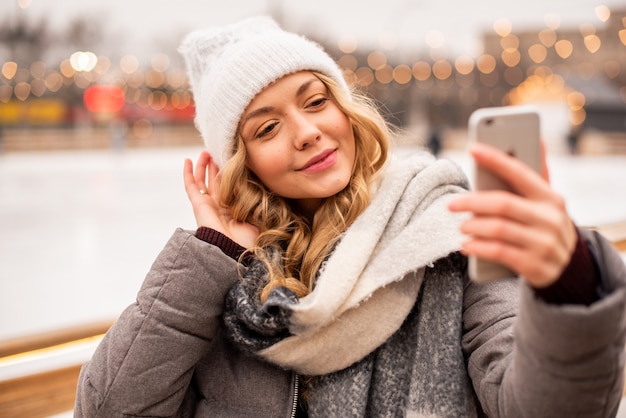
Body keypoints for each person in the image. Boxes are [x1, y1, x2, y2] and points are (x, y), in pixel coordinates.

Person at [74, 16, 626, 418]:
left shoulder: (447, 234)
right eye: (266, 128)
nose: (306, 131)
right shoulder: (222, 280)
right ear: (241, 165)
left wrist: (567, 285)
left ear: (345, 108)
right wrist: (212, 255)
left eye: (315, 102)